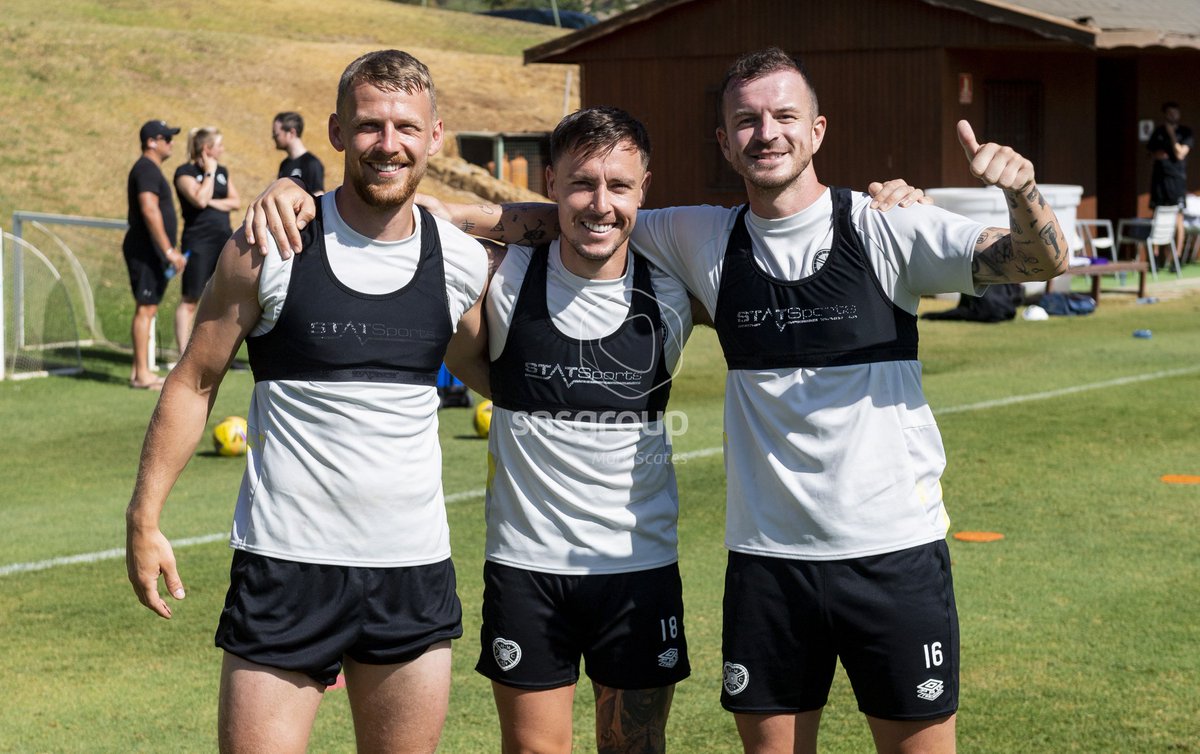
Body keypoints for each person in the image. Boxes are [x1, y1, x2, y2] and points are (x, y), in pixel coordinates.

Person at [126, 49, 488, 753]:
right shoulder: (269, 246)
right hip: (285, 566)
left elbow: (494, 369)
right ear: (336, 130)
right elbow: (194, 381)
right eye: (370, 125)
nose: (388, 144)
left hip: (412, 572)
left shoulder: (461, 260)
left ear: (436, 136)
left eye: (407, 127)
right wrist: (144, 517)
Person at [460, 106, 694, 753]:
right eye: (582, 183)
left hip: (638, 567)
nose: (600, 203)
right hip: (527, 568)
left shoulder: (675, 289)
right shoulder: (502, 275)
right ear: (551, 185)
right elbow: (416, 227)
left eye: (619, 185)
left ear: (644, 189)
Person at [123, 119, 187, 389]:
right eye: (166, 138)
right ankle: (142, 375)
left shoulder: (150, 169)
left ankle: (139, 372)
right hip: (145, 251)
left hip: (151, 251)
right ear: (151, 142)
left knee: (148, 309)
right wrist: (168, 250)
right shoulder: (146, 169)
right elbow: (149, 209)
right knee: (146, 309)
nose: (171, 143)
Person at [173, 126, 241, 356]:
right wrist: (209, 172)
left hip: (223, 239)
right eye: (218, 145)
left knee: (223, 299)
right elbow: (200, 200)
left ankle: (216, 355)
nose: (222, 149)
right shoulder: (185, 172)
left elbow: (235, 202)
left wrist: (212, 201)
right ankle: (184, 355)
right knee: (190, 299)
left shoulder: (223, 171)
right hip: (198, 242)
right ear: (206, 148)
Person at [1147, 101, 1194, 252]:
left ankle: (1176, 256)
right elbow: (1150, 152)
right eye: (1169, 113)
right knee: (1157, 216)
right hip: (1159, 181)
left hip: (1177, 180)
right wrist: (1156, 155)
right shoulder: (1158, 132)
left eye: (1175, 112)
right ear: (1165, 114)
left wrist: (1172, 134)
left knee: (1178, 217)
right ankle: (1155, 255)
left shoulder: (1185, 132)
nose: (1172, 115)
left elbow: (1180, 154)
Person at [273, 111, 325, 194]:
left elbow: (318, 194)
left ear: (292, 133)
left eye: (276, 135)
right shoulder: (284, 164)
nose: (273, 138)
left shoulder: (312, 163)